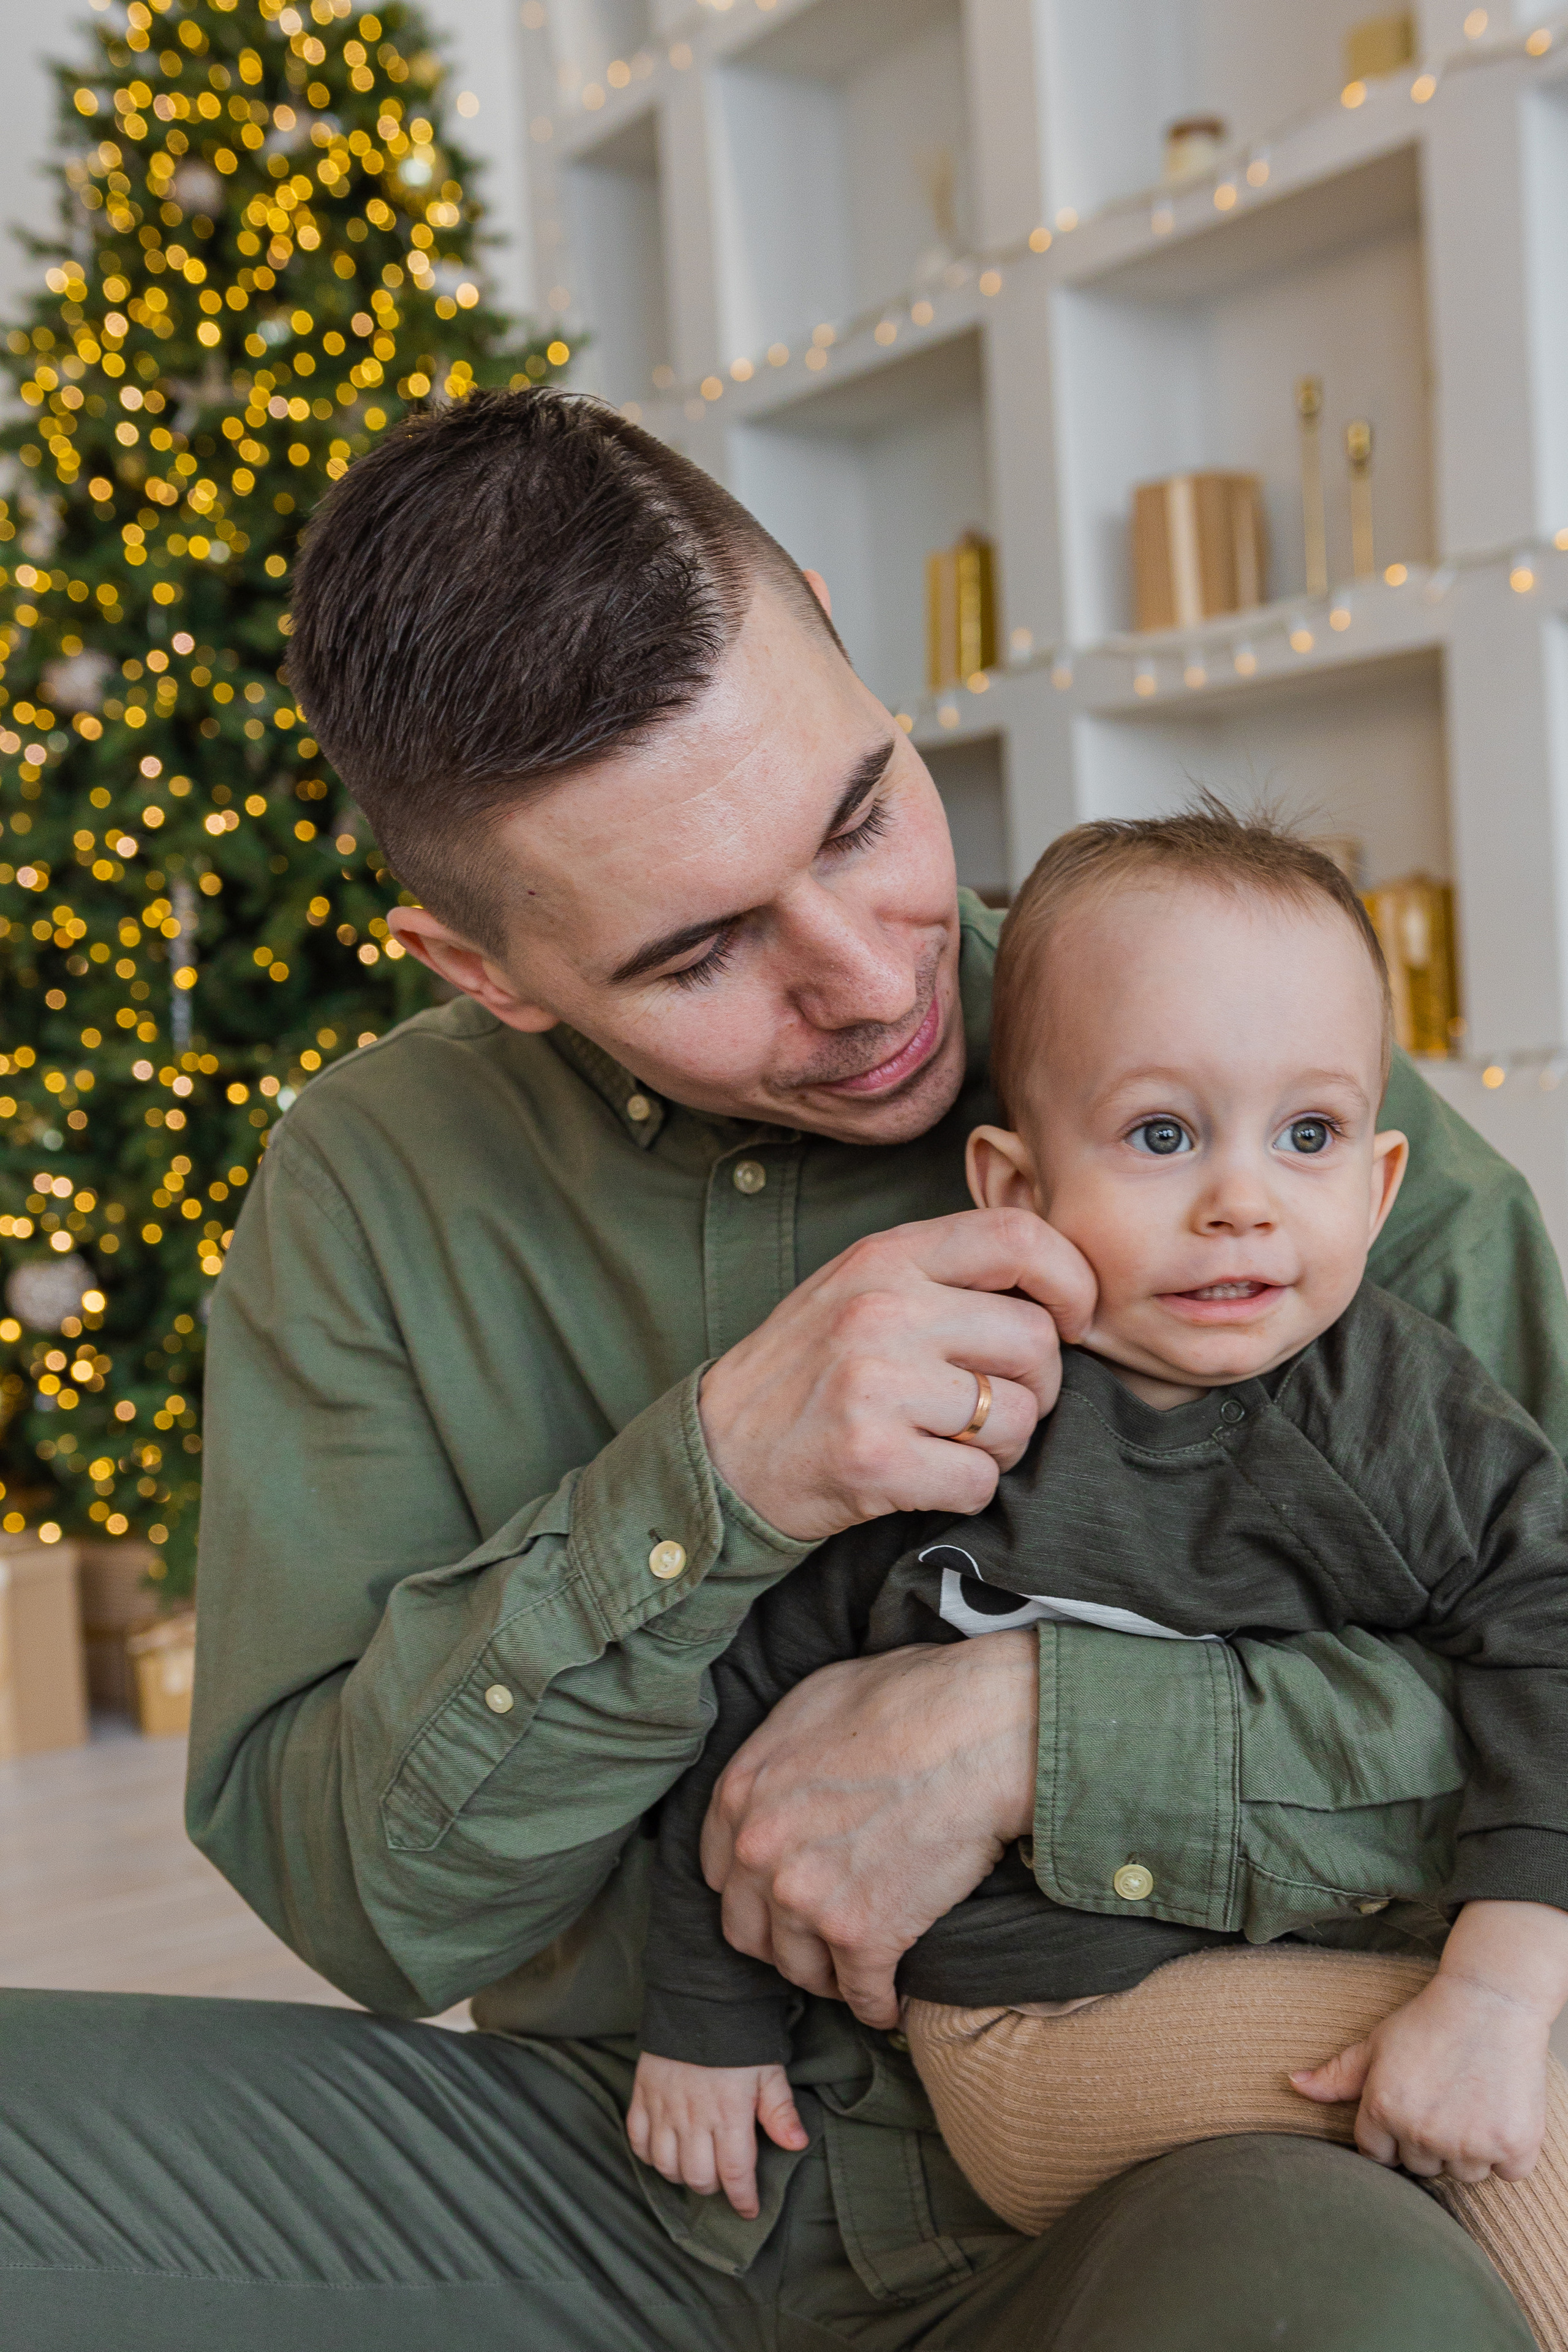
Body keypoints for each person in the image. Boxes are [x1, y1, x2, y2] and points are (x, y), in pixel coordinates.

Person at [0, 392, 1556, 2349]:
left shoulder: (1237, 1072)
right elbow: (367, 1908)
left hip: (1191, 2145)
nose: (870, 973)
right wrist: (710, 1485)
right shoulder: (372, 1183)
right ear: (484, 969)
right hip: (631, 2177)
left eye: (860, 813)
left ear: (836, 630)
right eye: (697, 951)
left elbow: (1548, 1645)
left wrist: (1026, 1741)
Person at [627, 807, 1568, 2345]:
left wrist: (1499, 1979)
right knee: (1503, 2095)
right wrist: (707, 2025)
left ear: (1381, 1184)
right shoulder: (957, 1402)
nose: (1241, 1200)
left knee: (1480, 2046)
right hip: (1032, 2026)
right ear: (1012, 1185)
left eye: (1307, 1136)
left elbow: (1548, 1637)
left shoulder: (1397, 1413)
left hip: (1294, 1944)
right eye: (1159, 1136)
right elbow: (745, 1692)